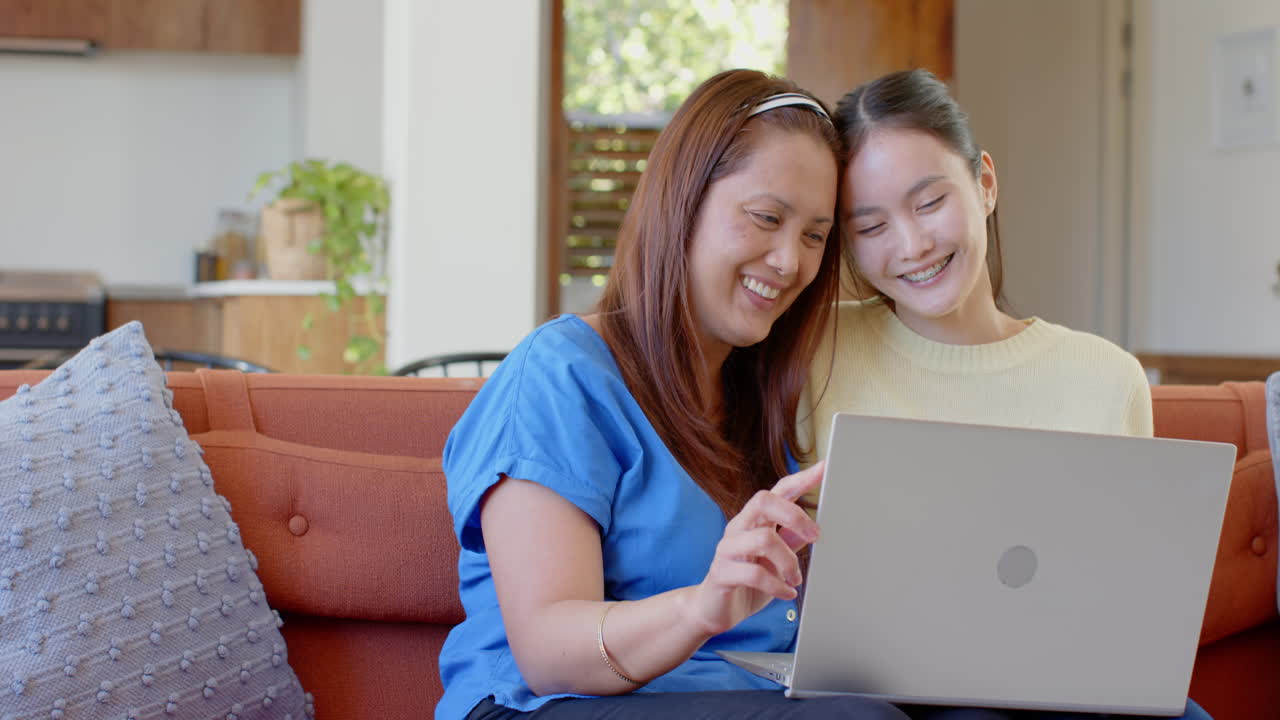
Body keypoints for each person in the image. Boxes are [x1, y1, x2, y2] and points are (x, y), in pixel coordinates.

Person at [437, 69, 907, 720]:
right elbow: (548, 651)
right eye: (766, 217)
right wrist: (702, 605)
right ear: (682, 200)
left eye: (813, 236)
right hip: (546, 705)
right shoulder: (561, 374)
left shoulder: (758, 395)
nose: (789, 261)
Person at [802, 69, 1208, 720]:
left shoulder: (1106, 377)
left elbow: (1128, 604)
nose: (913, 245)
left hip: (1065, 687)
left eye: (929, 202)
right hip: (883, 697)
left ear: (984, 184)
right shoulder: (813, 352)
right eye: (870, 227)